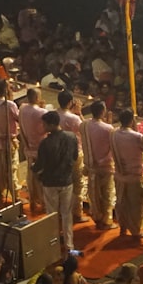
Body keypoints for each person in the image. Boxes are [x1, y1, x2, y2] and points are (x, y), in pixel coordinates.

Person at [32, 111, 79, 253]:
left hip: (50, 182)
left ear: (52, 125)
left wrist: (33, 168)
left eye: (45, 124)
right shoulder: (71, 137)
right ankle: (69, 244)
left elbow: (40, 165)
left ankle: (53, 243)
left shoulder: (45, 143)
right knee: (66, 214)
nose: (43, 127)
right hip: (66, 180)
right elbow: (75, 157)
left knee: (52, 214)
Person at [80, 101, 117, 230]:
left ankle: (97, 217)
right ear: (103, 111)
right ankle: (107, 221)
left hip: (91, 165)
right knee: (107, 194)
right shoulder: (108, 128)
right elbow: (112, 146)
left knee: (94, 193)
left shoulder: (84, 125)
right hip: (105, 165)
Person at [110, 109, 143, 238]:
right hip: (134, 175)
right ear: (132, 120)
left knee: (121, 202)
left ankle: (123, 228)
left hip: (119, 174)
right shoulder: (137, 137)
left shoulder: (114, 133)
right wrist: (136, 129)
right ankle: (136, 231)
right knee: (135, 204)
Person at [57, 90, 88, 224]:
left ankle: (61, 210)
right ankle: (77, 212)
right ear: (70, 102)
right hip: (74, 153)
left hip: (58, 153)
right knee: (77, 183)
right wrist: (79, 113)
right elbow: (84, 131)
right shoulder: (73, 118)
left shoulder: (54, 114)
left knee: (62, 182)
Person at [19, 89, 48, 213]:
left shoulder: (22, 108)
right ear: (37, 97)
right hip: (40, 147)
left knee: (31, 175)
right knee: (42, 176)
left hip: (28, 145)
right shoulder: (42, 112)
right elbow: (47, 127)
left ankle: (33, 199)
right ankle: (43, 201)